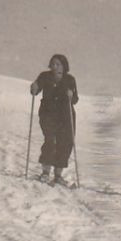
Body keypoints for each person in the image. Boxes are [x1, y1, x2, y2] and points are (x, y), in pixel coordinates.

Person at [29, 54, 79, 185]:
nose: (54, 66)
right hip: (48, 114)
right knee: (50, 140)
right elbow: (36, 90)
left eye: (58, 64)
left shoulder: (70, 79)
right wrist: (34, 88)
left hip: (66, 115)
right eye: (52, 63)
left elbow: (75, 100)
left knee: (66, 142)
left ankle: (58, 176)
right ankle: (45, 173)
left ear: (64, 65)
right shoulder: (44, 76)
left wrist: (71, 95)